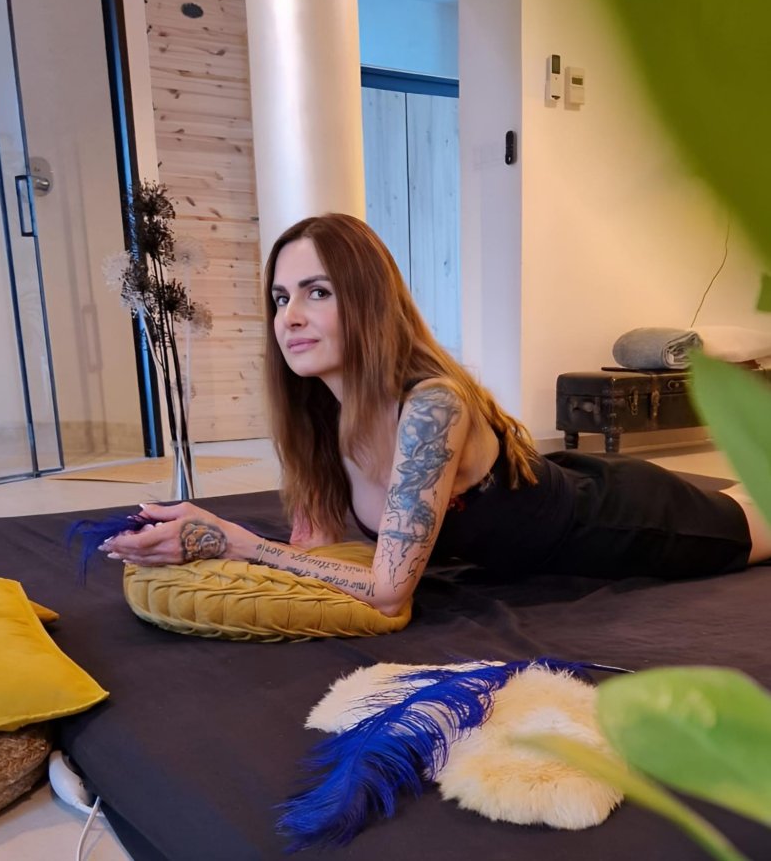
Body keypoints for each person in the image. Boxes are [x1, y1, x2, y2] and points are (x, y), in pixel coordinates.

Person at [100, 213, 771, 616]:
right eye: (280, 298)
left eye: (317, 292)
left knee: (752, 516)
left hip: (622, 523)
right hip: (560, 489)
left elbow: (387, 590)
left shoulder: (431, 407)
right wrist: (193, 545)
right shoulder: (319, 415)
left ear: (368, 301)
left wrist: (234, 541)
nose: (290, 317)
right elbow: (313, 555)